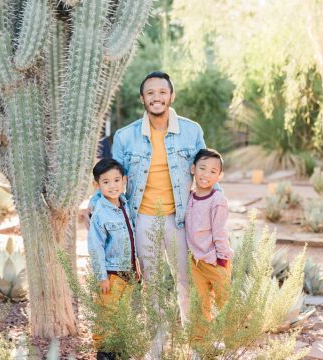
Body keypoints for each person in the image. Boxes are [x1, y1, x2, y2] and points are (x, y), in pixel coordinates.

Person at [88, 71, 214, 357]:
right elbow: (112, 177)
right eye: (150, 93)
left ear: (171, 96)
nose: (156, 97)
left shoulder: (192, 131)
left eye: (162, 92)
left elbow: (207, 172)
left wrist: (213, 209)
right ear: (142, 99)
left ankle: (195, 344)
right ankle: (157, 342)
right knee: (153, 284)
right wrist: (96, 200)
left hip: (180, 219)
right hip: (142, 218)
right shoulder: (125, 136)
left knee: (187, 282)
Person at [87, 158, 139, 360]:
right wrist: (101, 276)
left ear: (124, 180)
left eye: (117, 180)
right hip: (111, 273)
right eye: (106, 182)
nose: (113, 186)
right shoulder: (101, 212)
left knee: (122, 314)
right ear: (97, 185)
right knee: (106, 313)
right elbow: (95, 246)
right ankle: (104, 352)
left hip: (128, 272)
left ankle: (119, 349)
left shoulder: (125, 204)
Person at [185, 148, 233, 341]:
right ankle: (200, 344)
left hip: (216, 261)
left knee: (225, 302)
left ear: (219, 176)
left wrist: (222, 260)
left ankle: (230, 340)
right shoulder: (187, 197)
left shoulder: (217, 200)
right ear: (192, 169)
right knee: (200, 304)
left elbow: (219, 232)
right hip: (196, 263)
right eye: (202, 168)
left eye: (213, 171)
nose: (206, 174)